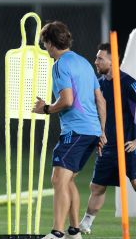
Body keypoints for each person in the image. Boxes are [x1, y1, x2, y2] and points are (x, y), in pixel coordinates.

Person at [33, 21, 106, 239]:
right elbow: (100, 99)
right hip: (91, 131)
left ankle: (57, 233)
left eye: (44, 43)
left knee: (58, 179)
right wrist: (102, 131)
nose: (44, 47)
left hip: (76, 131)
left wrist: (45, 108)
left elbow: (67, 100)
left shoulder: (60, 65)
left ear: (49, 42)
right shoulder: (83, 62)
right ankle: (74, 232)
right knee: (68, 180)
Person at [79, 43, 136, 234]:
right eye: (96, 58)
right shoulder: (98, 84)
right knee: (97, 186)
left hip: (128, 145)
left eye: (100, 58)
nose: (95, 62)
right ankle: (86, 223)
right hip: (107, 146)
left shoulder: (128, 83)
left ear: (113, 61)